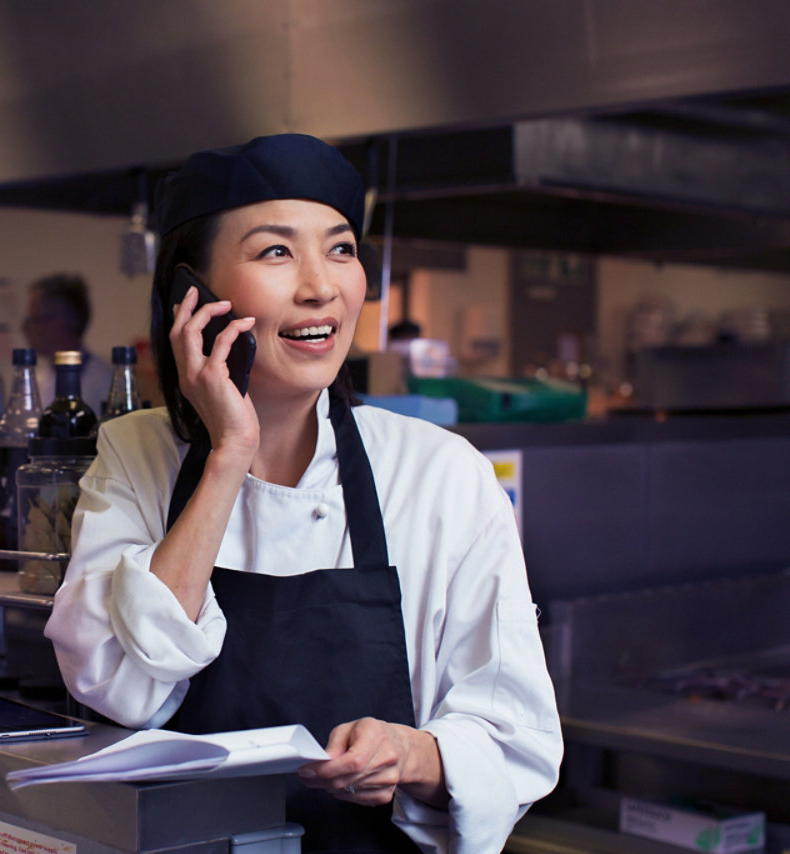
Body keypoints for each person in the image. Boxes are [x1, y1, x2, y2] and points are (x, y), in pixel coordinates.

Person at [44, 134, 562, 853]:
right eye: (276, 252)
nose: (321, 286)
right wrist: (230, 454)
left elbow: (521, 737)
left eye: (342, 249)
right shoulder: (134, 452)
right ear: (193, 296)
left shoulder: (443, 474)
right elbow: (117, 686)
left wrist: (414, 754)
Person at [21, 273, 114, 407]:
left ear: (58, 324)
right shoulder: (37, 379)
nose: (24, 328)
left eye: (33, 320)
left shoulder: (106, 382)